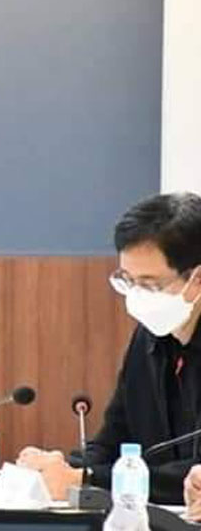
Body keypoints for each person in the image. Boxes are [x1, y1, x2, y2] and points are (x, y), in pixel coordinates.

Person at [19, 193, 201, 504]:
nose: (137, 296)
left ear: (196, 279)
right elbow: (113, 441)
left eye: (150, 284)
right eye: (128, 281)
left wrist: (88, 479)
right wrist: (64, 468)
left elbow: (191, 475)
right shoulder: (149, 336)